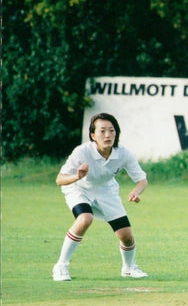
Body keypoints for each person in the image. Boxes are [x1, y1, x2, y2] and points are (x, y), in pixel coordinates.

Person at [52, 113, 149, 281]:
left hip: (107, 191)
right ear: (92, 135)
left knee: (126, 236)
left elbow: (142, 180)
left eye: (112, 130)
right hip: (78, 188)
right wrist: (77, 177)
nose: (107, 135)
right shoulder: (82, 152)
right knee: (85, 218)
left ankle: (128, 267)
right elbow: (60, 179)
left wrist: (136, 192)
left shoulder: (123, 153)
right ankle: (61, 266)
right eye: (102, 131)